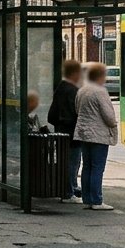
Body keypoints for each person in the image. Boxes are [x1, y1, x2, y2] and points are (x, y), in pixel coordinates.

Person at [73, 62, 118, 211]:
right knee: (97, 168)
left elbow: (77, 109)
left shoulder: (82, 90)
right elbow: (109, 116)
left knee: (87, 167)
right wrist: (113, 124)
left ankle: (87, 198)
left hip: (83, 133)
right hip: (98, 134)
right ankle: (97, 200)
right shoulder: (100, 91)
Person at [46, 59, 83, 203]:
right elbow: (76, 112)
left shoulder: (61, 87)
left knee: (67, 162)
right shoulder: (72, 90)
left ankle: (71, 188)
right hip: (72, 134)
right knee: (72, 163)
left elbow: (52, 115)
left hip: (62, 132)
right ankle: (68, 192)